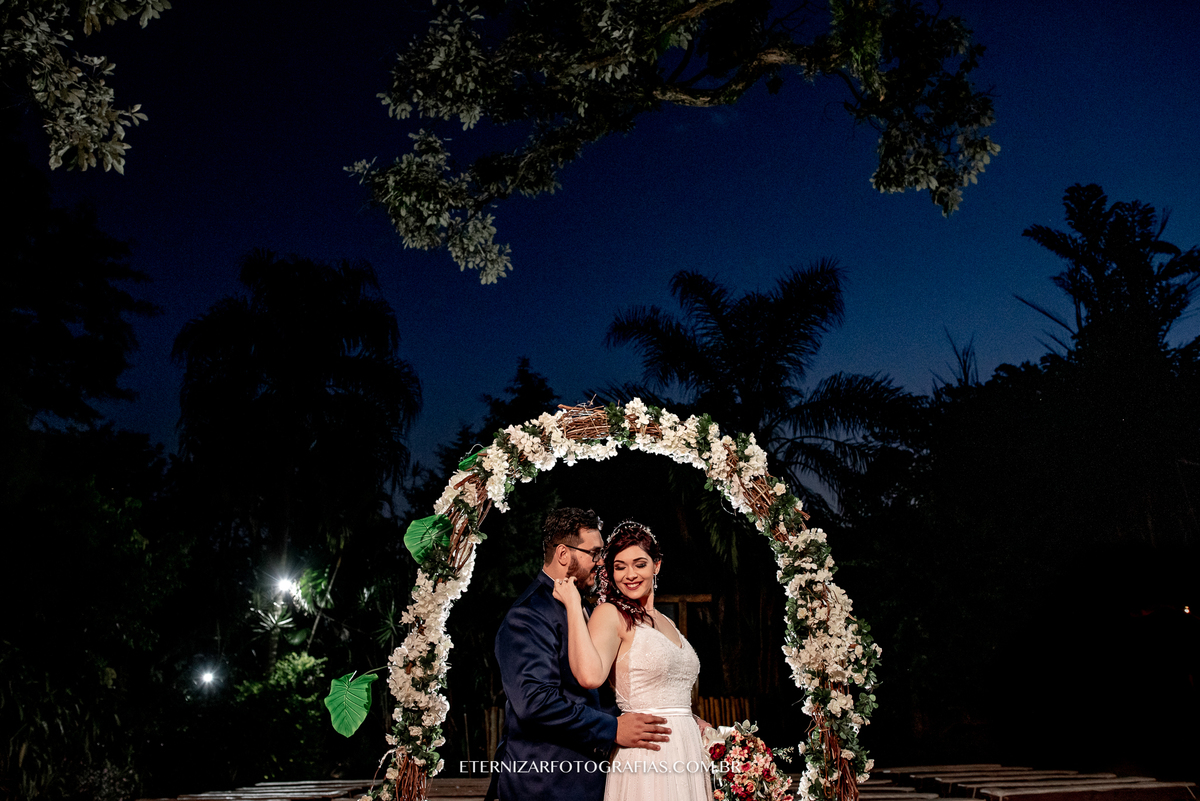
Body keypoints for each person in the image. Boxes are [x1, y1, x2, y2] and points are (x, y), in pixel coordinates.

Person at [488, 508, 672, 801]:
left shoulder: (579, 606)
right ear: (563, 554)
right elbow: (536, 704)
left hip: (585, 779)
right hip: (546, 783)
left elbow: (595, 694)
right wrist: (613, 729)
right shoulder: (527, 616)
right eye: (594, 553)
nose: (601, 563)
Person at [552, 520, 713, 801]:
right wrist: (574, 606)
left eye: (640, 564)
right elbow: (590, 677)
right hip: (646, 751)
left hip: (686, 748)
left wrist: (690, 719)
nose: (630, 575)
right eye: (620, 566)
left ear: (657, 565)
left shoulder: (665, 621)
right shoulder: (610, 613)